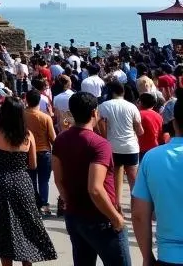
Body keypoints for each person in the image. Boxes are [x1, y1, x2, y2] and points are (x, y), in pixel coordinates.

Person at [52, 92, 130, 266]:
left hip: (75, 216)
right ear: (94, 113)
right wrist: (115, 217)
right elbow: (95, 188)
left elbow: (58, 179)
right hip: (100, 218)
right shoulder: (100, 144)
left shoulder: (60, 140)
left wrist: (68, 200)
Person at [0, 96, 56, 266]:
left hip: (0, 180)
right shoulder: (27, 135)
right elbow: (33, 164)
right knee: (27, 225)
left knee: (4, 227)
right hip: (22, 181)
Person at [132, 94, 183, 266]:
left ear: (174, 122)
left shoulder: (152, 158)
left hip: (170, 255)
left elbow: (139, 215)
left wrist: (147, 257)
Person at [96, 79, 143, 208]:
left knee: (115, 178)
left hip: (113, 147)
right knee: (134, 180)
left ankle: (117, 205)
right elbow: (139, 131)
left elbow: (95, 121)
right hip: (130, 147)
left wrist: (103, 134)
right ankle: (135, 207)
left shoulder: (104, 106)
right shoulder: (132, 106)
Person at [24, 89, 57, 215]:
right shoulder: (45, 117)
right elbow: (53, 138)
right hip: (44, 152)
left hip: (27, 152)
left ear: (26, 100)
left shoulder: (22, 115)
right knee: (44, 181)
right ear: (39, 101)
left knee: (30, 180)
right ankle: (44, 204)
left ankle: (33, 204)